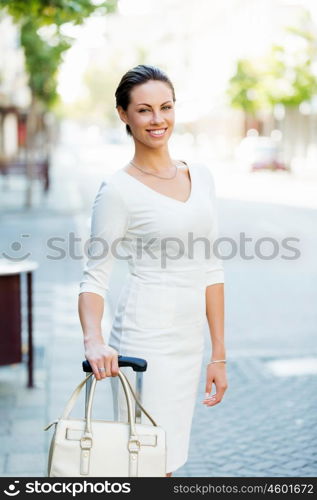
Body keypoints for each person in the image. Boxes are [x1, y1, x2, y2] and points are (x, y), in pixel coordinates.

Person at [78, 64, 227, 477]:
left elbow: (211, 267)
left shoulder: (202, 177)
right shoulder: (118, 190)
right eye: (144, 110)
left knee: (169, 460)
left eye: (165, 107)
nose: (157, 119)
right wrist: (93, 340)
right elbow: (94, 276)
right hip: (146, 339)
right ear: (124, 115)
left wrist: (219, 354)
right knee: (145, 465)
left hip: (187, 341)